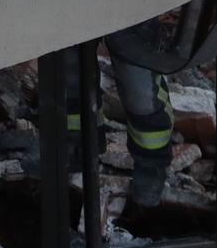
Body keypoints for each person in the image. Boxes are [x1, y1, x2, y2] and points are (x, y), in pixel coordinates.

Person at [62, 22, 176, 208]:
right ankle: (76, 149)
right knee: (70, 76)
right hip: (70, 0)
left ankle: (151, 165)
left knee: (141, 91)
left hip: (130, 2)